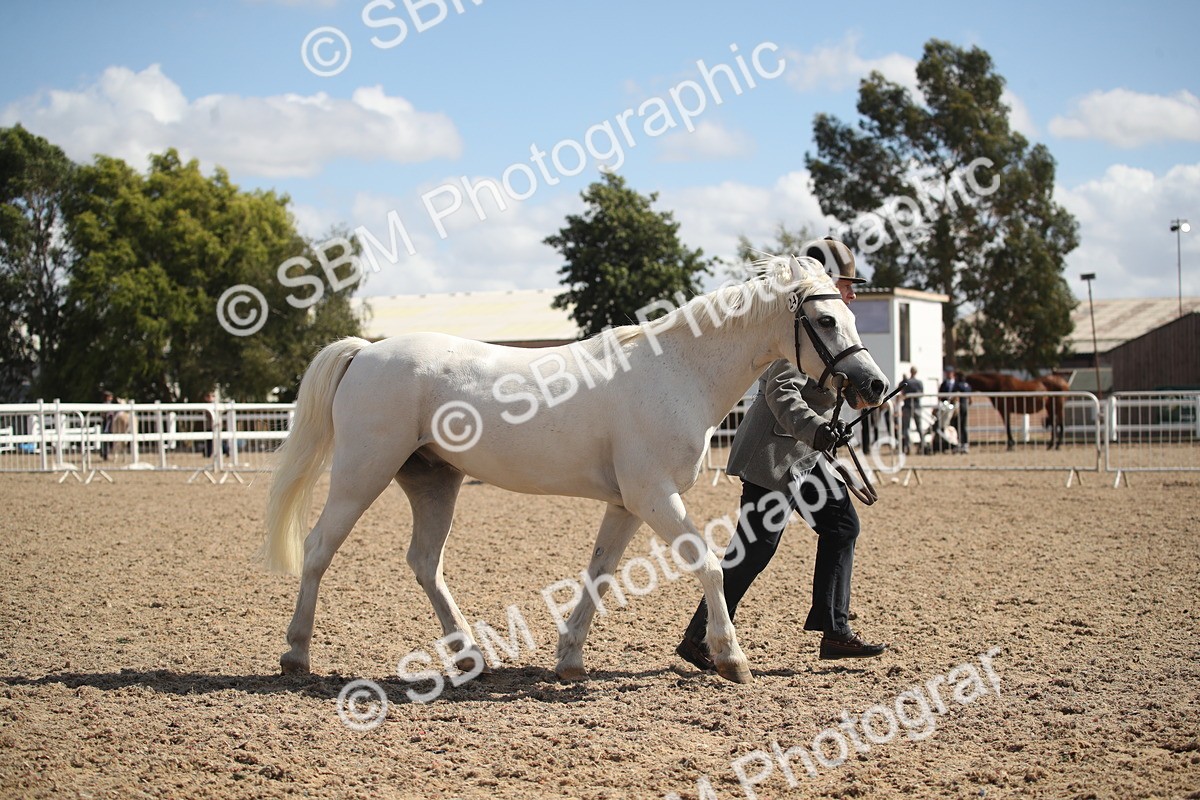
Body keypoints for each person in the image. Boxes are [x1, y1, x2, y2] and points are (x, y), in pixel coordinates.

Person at [676, 237, 886, 672]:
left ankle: (835, 630)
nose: (852, 292)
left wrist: (854, 394)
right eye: (847, 283)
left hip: (806, 457)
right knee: (754, 550)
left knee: (843, 526)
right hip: (773, 456)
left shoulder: (830, 323)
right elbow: (780, 390)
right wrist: (816, 429)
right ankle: (699, 637)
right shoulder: (800, 323)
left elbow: (822, 386)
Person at [899, 366, 925, 455]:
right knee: (919, 427)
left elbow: (901, 390)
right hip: (917, 406)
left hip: (907, 407)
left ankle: (908, 446)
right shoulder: (919, 382)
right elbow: (922, 393)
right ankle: (922, 446)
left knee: (906, 428)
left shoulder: (907, 382)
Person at [953, 370, 972, 453]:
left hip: (959, 406)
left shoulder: (958, 385)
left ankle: (960, 443)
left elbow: (954, 396)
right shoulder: (967, 385)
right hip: (965, 406)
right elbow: (970, 399)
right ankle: (965, 443)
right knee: (964, 426)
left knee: (958, 425)